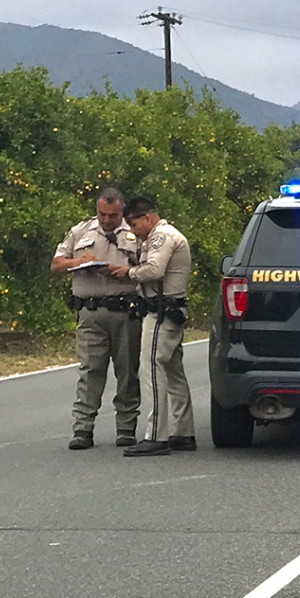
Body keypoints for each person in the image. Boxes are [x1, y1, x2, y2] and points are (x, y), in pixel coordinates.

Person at [51, 188, 142, 450]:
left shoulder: (135, 233)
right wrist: (78, 261)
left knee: (127, 372)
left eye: (112, 215)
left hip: (125, 311)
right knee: (90, 370)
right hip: (90, 312)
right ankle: (83, 429)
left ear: (122, 212)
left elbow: (151, 268)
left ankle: (126, 428)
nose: (106, 219)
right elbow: (56, 264)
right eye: (102, 214)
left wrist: (125, 272)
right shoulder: (81, 231)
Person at [107, 196, 195, 457]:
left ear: (147, 218)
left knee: (151, 368)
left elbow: (154, 270)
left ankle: (157, 435)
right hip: (170, 307)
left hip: (162, 311)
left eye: (134, 224)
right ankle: (183, 430)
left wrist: (127, 272)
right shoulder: (164, 235)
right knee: (173, 370)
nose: (133, 231)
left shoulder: (161, 237)